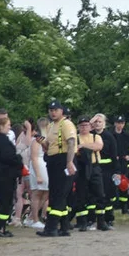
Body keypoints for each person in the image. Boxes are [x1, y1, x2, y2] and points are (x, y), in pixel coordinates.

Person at [40, 101, 77, 237]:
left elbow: (72, 142)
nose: (53, 112)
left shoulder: (66, 124)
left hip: (63, 159)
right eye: (50, 110)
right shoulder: (51, 126)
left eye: (55, 110)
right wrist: (41, 142)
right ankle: (64, 227)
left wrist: (70, 162)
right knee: (56, 193)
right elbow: (49, 144)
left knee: (59, 193)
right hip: (53, 160)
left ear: (61, 111)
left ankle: (51, 227)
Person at [73, 116, 107, 232]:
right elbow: (73, 150)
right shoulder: (75, 138)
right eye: (81, 125)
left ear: (90, 126)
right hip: (81, 169)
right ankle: (82, 222)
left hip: (94, 168)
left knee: (100, 194)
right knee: (81, 195)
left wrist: (82, 146)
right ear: (78, 127)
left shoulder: (95, 136)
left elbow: (98, 146)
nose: (84, 127)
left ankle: (101, 222)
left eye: (86, 125)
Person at [91, 114, 116, 230]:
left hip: (107, 168)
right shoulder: (90, 136)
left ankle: (108, 219)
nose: (97, 124)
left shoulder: (109, 136)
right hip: (93, 166)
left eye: (100, 122)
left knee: (106, 194)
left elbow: (114, 154)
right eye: (95, 122)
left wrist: (116, 171)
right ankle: (91, 219)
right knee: (92, 194)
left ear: (104, 123)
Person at [26, 117, 48, 230]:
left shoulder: (45, 139)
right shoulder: (36, 140)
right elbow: (34, 158)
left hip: (45, 165)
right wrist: (38, 174)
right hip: (38, 166)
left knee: (45, 193)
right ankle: (34, 219)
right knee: (37, 193)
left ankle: (31, 217)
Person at [111, 115, 129, 219]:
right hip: (113, 163)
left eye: (122, 123)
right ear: (115, 123)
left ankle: (124, 208)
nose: (120, 125)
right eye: (118, 123)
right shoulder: (110, 134)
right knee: (112, 186)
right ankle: (112, 207)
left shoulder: (127, 136)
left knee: (124, 186)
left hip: (124, 163)